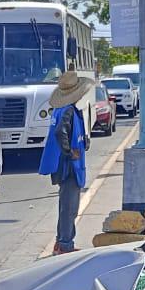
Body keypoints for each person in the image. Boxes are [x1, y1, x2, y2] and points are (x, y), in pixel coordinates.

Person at [39, 71, 93, 255]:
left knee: (66, 207)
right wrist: (70, 152)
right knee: (70, 208)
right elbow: (60, 132)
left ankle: (62, 242)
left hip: (64, 166)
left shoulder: (64, 110)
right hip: (69, 167)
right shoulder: (68, 111)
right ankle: (65, 245)